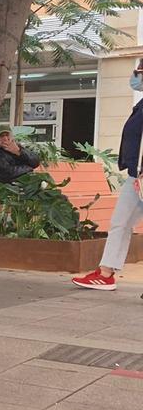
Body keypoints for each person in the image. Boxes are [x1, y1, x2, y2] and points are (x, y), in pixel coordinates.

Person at [72, 58, 143, 291]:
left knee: (121, 223)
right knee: (120, 223)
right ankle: (106, 273)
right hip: (136, 176)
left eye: (139, 72)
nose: (136, 77)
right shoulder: (141, 104)